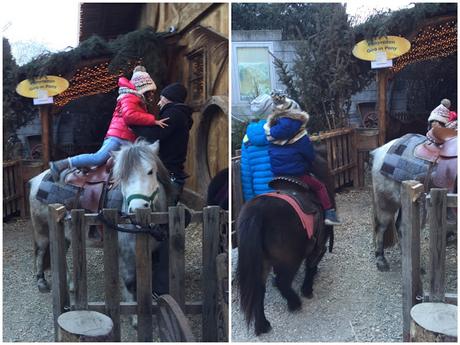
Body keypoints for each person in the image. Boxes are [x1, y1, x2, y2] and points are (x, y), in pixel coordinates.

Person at [49, 66, 168, 181]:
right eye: (150, 91)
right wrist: (153, 120)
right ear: (142, 89)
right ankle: (61, 164)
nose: (152, 95)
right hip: (118, 137)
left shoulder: (138, 100)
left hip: (126, 138)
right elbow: (129, 116)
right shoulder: (129, 97)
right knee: (98, 158)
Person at [129, 82, 193, 296]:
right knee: (163, 224)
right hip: (174, 175)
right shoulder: (180, 115)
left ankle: (162, 285)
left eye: (162, 97)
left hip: (170, 177)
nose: (159, 101)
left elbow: (153, 135)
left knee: (164, 229)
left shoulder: (173, 115)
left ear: (170, 98)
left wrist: (130, 124)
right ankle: (156, 274)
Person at [264, 109, 341, 226]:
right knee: (320, 187)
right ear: (296, 117)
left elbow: (271, 153)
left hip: (277, 176)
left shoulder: (271, 134)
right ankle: (329, 213)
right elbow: (310, 156)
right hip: (298, 175)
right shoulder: (300, 135)